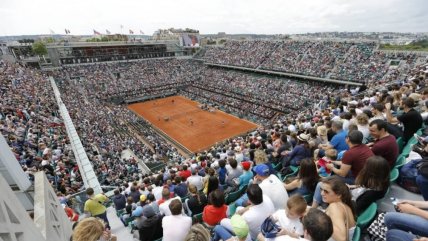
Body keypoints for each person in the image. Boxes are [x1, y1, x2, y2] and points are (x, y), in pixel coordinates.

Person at [319, 176, 356, 241]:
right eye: (321, 189)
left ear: (339, 195)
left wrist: (322, 221)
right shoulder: (344, 205)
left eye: (326, 191)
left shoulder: (334, 207)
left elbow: (342, 239)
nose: (322, 193)